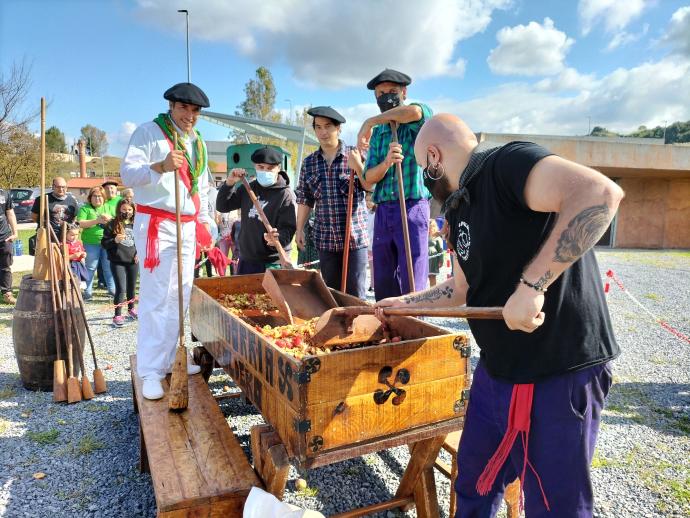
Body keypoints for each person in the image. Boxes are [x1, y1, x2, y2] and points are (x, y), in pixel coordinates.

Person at [376, 114, 624, 517]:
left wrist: (531, 287)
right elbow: (461, 290)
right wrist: (404, 303)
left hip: (560, 369)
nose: (426, 180)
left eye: (425, 169)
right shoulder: (458, 210)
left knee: (554, 506)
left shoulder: (506, 164)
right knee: (474, 482)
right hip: (499, 372)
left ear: (434, 157)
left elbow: (599, 194)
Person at [120, 82, 214, 400]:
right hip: (158, 222)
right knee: (156, 295)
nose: (189, 115)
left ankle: (173, 357)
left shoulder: (197, 143)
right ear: (171, 106)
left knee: (181, 293)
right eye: (184, 108)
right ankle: (150, 368)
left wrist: (206, 223)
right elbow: (128, 174)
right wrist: (160, 167)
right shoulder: (149, 132)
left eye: (195, 111)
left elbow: (203, 188)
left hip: (186, 225)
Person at [357, 68, 432, 301]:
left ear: (404, 92)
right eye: (381, 93)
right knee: (383, 277)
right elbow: (368, 178)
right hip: (384, 210)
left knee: (412, 276)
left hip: (411, 205)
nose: (386, 97)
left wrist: (370, 120)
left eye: (392, 92)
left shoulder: (416, 120)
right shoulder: (379, 133)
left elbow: (415, 112)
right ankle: (387, 326)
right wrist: (387, 162)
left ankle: (414, 325)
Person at [295, 106, 370, 298]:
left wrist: (359, 167)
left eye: (328, 126)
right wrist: (299, 228)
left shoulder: (356, 155)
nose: (323, 132)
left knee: (355, 296)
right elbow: (305, 198)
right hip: (326, 240)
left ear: (339, 129)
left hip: (354, 239)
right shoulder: (309, 163)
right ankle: (337, 328)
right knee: (332, 296)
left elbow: (370, 188)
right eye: (318, 127)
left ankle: (358, 328)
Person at [216, 146, 296, 274]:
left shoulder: (285, 194)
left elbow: (289, 228)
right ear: (255, 167)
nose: (265, 171)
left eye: (270, 168)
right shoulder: (247, 188)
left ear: (278, 168)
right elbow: (222, 206)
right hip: (246, 259)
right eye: (261, 167)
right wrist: (229, 183)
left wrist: (277, 237)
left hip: (272, 262)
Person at [102, 199, 138, 327]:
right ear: (119, 210)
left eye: (129, 210)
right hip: (117, 261)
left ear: (133, 211)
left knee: (131, 287)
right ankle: (117, 315)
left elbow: (142, 241)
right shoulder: (112, 224)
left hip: (133, 261)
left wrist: (139, 253)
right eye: (124, 210)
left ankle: (131, 309)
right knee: (121, 288)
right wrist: (115, 240)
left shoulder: (136, 224)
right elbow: (104, 243)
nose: (127, 212)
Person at [77, 186, 116, 299]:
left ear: (104, 198)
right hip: (91, 242)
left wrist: (111, 220)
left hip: (108, 242)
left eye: (100, 196)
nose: (97, 198)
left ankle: (112, 289)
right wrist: (97, 220)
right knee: (90, 267)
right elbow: (80, 223)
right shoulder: (85, 208)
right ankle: (87, 291)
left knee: (108, 266)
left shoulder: (109, 207)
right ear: (90, 198)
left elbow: (118, 221)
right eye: (95, 196)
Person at [31, 176, 80, 241]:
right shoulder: (42, 199)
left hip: (66, 238)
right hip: (47, 236)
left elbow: (74, 218)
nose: (61, 189)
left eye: (63, 187)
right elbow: (34, 217)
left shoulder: (72, 201)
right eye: (58, 187)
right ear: (53, 187)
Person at [0, 187, 18, 304]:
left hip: (4, 236)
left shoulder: (4, 193)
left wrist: (15, 232)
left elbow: (10, 213)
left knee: (5, 266)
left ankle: (7, 294)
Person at [427, 219, 444, 287]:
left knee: (432, 276)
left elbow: (440, 250)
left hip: (433, 260)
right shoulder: (425, 236)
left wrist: (441, 261)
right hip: (425, 259)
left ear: (433, 227)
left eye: (430, 227)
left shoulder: (437, 237)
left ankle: (432, 291)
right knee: (425, 276)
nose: (428, 229)